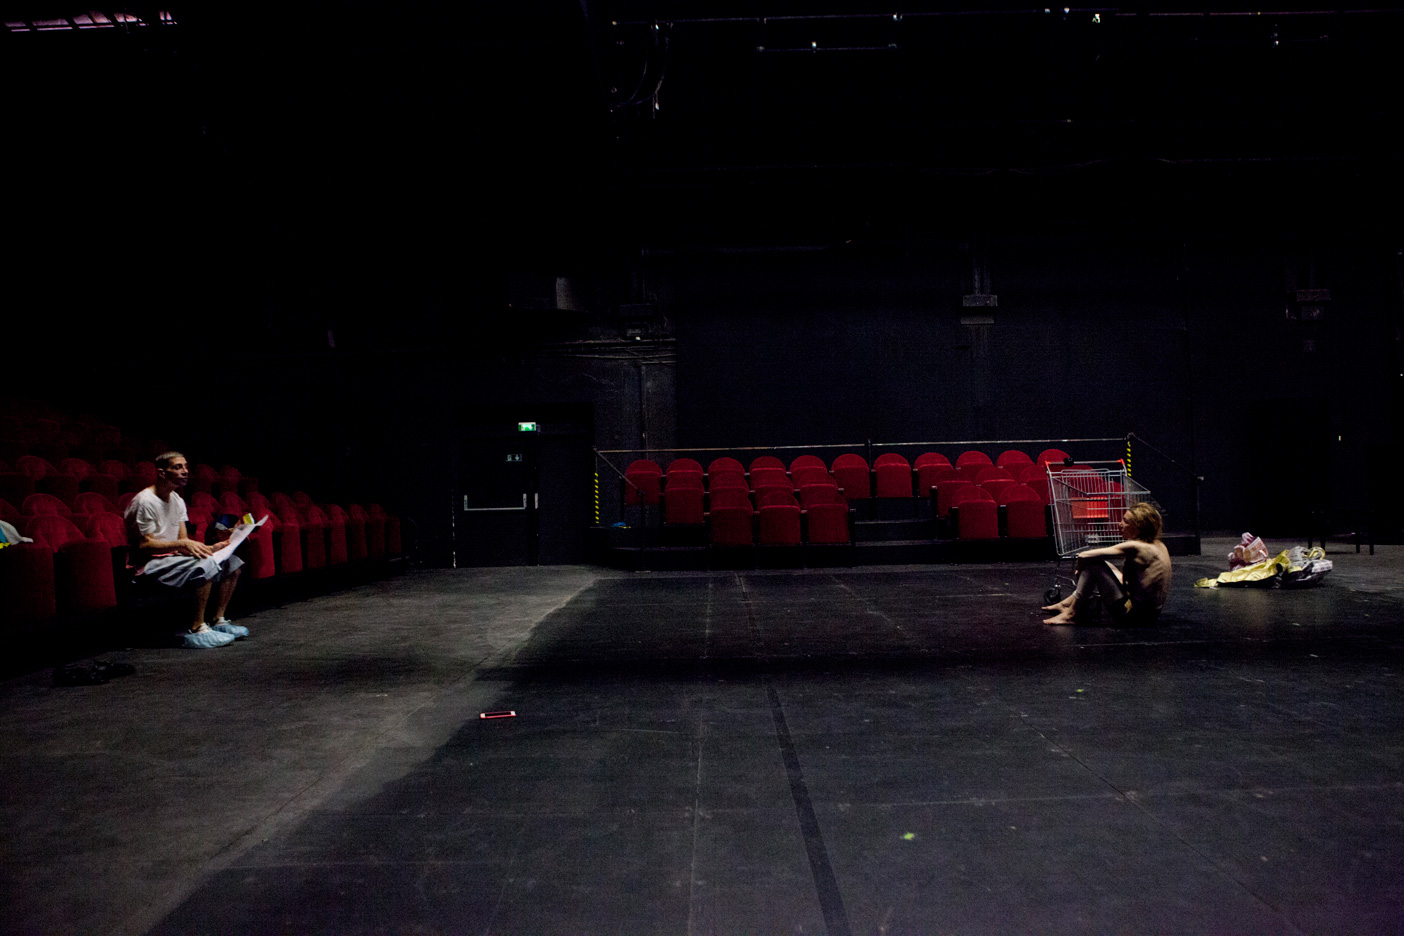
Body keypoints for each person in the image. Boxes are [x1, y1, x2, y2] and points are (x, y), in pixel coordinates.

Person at [124, 451, 248, 648]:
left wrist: (211, 547)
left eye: (186, 467)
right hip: (147, 563)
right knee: (206, 564)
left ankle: (218, 620)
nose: (185, 471)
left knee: (232, 563)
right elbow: (144, 545)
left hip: (173, 556)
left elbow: (182, 540)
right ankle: (198, 628)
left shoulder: (177, 500)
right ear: (162, 473)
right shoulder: (144, 502)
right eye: (178, 467)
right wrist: (183, 545)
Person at [1042, 502, 1171, 626]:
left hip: (1133, 616)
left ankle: (1071, 614)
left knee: (1094, 565)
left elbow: (1083, 555)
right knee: (1105, 565)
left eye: (1126, 521)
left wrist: (1079, 570)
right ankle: (1067, 604)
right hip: (1150, 615)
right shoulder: (1158, 545)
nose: (1120, 524)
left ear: (1138, 528)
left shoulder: (1137, 546)